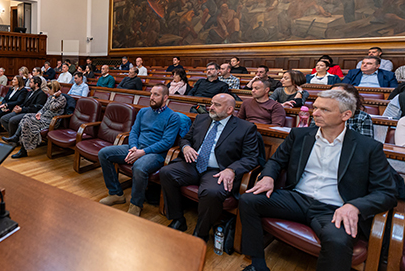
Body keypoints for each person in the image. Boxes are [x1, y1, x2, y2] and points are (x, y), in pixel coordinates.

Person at [239, 89, 397, 271]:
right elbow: (276, 161)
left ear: (346, 115)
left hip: (333, 209)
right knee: (249, 200)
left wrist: (355, 206)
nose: (315, 113)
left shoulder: (368, 147)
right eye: (315, 108)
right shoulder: (299, 135)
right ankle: (257, 265)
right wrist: (268, 177)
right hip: (297, 199)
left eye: (324, 110)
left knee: (337, 240)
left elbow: (387, 192)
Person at [160, 93, 259, 240]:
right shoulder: (201, 119)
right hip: (193, 164)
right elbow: (185, 138)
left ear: (230, 110)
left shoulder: (245, 128)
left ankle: (201, 233)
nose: (211, 107)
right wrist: (186, 147)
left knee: (212, 192)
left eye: (217, 105)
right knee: (166, 172)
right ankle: (178, 219)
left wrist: (231, 169)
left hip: (218, 170)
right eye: (211, 103)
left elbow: (251, 158)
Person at [98, 84, 180, 216]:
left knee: (139, 166)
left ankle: (136, 204)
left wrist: (142, 152)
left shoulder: (173, 117)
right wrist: (133, 147)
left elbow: (166, 142)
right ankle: (116, 194)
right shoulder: (143, 112)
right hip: (137, 148)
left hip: (156, 154)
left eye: (156, 95)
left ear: (165, 98)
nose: (151, 97)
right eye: (151, 94)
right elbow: (134, 131)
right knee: (104, 153)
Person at [3, 81, 67, 158]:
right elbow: (44, 108)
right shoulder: (50, 97)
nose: (47, 91)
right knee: (26, 117)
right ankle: (18, 141)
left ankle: (19, 144)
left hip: (51, 121)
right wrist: (39, 113)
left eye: (49, 89)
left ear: (53, 89)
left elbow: (52, 107)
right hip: (43, 117)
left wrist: (53, 97)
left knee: (26, 122)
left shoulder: (62, 99)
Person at [0, 76, 47, 141]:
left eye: (31, 82)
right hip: (23, 110)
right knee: (3, 119)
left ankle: (14, 139)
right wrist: (18, 107)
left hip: (29, 113)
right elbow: (24, 103)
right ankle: (16, 136)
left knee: (12, 120)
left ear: (36, 84)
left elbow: (36, 108)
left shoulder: (41, 94)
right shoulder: (30, 92)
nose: (29, 84)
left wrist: (22, 109)